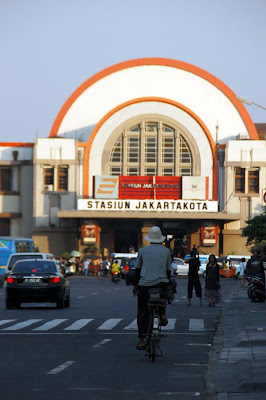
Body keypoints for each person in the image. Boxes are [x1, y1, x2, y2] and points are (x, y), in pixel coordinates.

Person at [133, 226, 172, 350]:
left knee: (142, 311)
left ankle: (141, 340)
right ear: (161, 239)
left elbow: (137, 270)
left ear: (149, 239)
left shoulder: (143, 251)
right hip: (161, 284)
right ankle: (162, 314)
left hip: (144, 285)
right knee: (163, 295)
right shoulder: (166, 251)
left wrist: (135, 285)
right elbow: (168, 271)